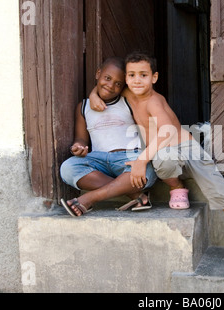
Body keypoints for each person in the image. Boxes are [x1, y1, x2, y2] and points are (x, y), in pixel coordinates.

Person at [89, 52, 224, 270]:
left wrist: (141, 160)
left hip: (187, 149)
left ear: (154, 78)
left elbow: (167, 131)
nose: (137, 80)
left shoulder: (154, 101)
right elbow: (108, 87)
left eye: (143, 75)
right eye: (132, 75)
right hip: (164, 153)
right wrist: (94, 94)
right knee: (164, 161)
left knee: (219, 191)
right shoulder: (129, 93)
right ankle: (177, 187)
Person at [60, 56, 158, 216]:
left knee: (147, 169)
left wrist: (94, 93)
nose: (111, 86)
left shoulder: (128, 101)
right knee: (68, 168)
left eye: (118, 83)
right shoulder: (83, 107)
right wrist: (78, 147)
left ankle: (90, 198)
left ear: (124, 85)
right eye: (107, 78)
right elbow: (81, 138)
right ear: (98, 74)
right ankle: (134, 194)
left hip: (129, 157)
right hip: (98, 160)